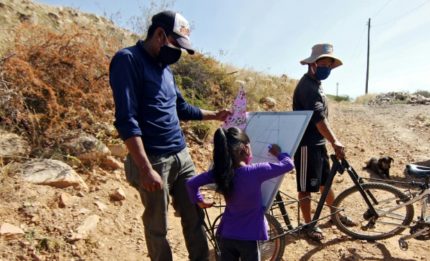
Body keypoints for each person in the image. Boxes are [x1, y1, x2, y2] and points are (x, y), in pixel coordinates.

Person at [109, 10, 230, 261]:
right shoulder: (127, 60)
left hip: (181, 155)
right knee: (157, 227)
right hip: (153, 160)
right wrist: (144, 168)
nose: (179, 52)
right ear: (160, 34)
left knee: (194, 216)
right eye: (177, 44)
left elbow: (181, 108)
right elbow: (126, 119)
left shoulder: (166, 70)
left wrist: (215, 115)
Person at [186, 127, 294, 261]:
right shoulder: (256, 171)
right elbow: (288, 165)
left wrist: (200, 201)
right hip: (249, 238)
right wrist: (278, 154)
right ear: (245, 149)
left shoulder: (220, 173)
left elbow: (191, 183)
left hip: (226, 235)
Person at [292, 43, 355, 242]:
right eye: (324, 64)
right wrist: (335, 141)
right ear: (312, 64)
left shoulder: (317, 85)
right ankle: (308, 225)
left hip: (318, 144)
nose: (327, 68)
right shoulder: (306, 87)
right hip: (305, 145)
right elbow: (319, 119)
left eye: (330, 64)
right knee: (305, 188)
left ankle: (335, 214)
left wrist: (330, 141)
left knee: (324, 184)